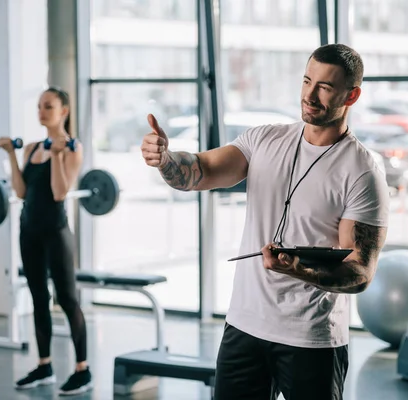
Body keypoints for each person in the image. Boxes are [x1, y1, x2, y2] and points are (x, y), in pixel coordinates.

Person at [140, 43, 390, 399]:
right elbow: (200, 171)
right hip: (245, 326)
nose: (310, 94)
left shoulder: (362, 171)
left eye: (325, 87)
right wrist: (165, 159)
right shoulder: (265, 139)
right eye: (307, 81)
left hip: (311, 337)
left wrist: (297, 270)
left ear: (351, 96)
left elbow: (360, 271)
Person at [0, 87, 92, 396]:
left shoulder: (73, 147)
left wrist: (56, 155)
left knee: (66, 298)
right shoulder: (31, 148)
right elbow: (22, 192)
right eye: (39, 106)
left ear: (63, 111)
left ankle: (82, 369)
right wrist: (11, 154)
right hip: (29, 230)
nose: (41, 112)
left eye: (48, 106)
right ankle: (44, 365)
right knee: (37, 296)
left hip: (56, 232)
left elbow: (59, 192)